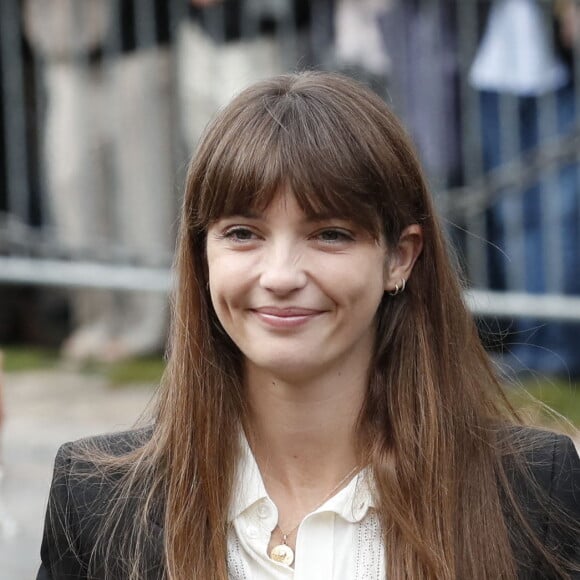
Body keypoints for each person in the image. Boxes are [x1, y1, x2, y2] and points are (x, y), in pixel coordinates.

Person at [37, 72, 579, 580]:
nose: (280, 276)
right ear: (202, 256)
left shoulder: (532, 490)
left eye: (330, 234)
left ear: (400, 258)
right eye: (244, 233)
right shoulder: (94, 498)